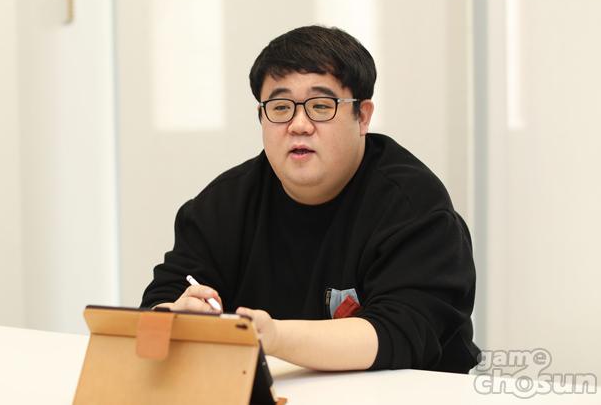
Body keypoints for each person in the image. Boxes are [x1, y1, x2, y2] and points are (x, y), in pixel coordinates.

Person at [141, 25, 479, 373]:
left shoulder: (412, 204)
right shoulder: (224, 204)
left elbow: (400, 334)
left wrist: (273, 337)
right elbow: (157, 304)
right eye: (280, 107)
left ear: (362, 117)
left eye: (320, 106)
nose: (299, 125)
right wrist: (174, 317)